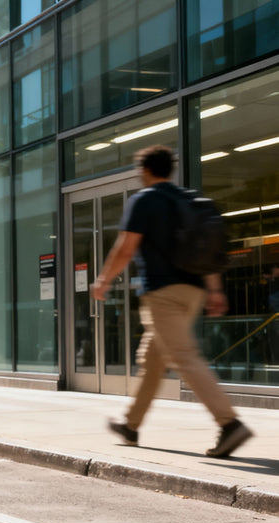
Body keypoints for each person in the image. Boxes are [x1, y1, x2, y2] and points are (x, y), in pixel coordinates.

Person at [91, 145, 252, 458]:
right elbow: (206, 248)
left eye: (139, 169)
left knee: (183, 356)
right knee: (152, 359)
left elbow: (126, 247)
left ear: (146, 170)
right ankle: (131, 425)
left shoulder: (144, 200)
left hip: (162, 292)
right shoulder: (188, 200)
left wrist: (104, 280)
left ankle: (229, 423)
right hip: (193, 291)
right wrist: (215, 290)